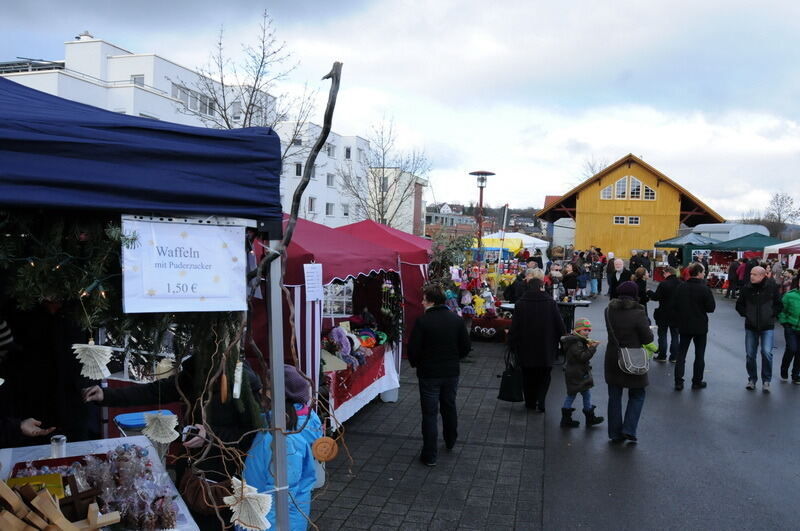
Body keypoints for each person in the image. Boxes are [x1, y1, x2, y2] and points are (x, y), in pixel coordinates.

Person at [83, 355, 264, 526]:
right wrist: (106, 395)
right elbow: (155, 391)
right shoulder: (197, 371)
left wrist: (210, 436)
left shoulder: (243, 382)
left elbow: (251, 435)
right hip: (191, 473)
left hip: (223, 479)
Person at [243, 365, 317, 530]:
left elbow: (281, 495)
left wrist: (260, 525)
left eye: (267, 388)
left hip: (274, 522)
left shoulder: (283, 439)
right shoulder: (286, 426)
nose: (262, 390)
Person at [408, 284, 471, 466]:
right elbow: (466, 347)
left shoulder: (423, 322)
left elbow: (414, 349)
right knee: (449, 406)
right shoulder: (456, 320)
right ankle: (450, 439)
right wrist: (454, 358)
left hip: (429, 373)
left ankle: (430, 455)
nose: (421, 302)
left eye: (424, 299)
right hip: (451, 371)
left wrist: (417, 363)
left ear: (430, 301)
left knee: (429, 414)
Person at [604, 281, 654, 443]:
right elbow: (648, 338)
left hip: (613, 356)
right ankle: (629, 428)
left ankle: (614, 433)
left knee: (614, 396)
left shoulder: (609, 311)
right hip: (634, 358)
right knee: (638, 394)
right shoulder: (638, 314)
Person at [508, 276, 566, 412]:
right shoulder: (550, 302)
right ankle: (541, 400)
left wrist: (511, 342)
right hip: (546, 347)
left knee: (528, 376)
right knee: (544, 375)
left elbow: (515, 326)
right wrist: (561, 340)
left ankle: (530, 402)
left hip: (526, 347)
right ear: (541, 287)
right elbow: (560, 324)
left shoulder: (521, 303)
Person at [736, 266, 783, 392]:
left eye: (755, 274)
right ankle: (752, 379)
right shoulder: (746, 288)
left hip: (767, 326)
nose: (751, 276)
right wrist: (747, 314)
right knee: (750, 355)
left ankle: (766, 380)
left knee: (766, 353)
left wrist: (771, 314)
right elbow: (739, 305)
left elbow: (779, 304)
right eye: (751, 274)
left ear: (762, 276)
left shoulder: (771, 287)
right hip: (751, 326)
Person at [673, 263, 716, 390]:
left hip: (684, 324)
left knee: (681, 354)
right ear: (698, 273)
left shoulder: (681, 287)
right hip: (700, 325)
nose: (704, 274)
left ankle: (678, 382)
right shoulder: (705, 289)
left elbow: (675, 305)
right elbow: (711, 308)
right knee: (699, 355)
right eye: (703, 272)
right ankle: (697, 381)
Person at [559, 318, 603, 428]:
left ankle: (571, 418)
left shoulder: (577, 341)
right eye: (585, 330)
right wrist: (592, 348)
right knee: (575, 394)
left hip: (576, 372)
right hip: (577, 373)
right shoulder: (576, 343)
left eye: (589, 330)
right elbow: (582, 357)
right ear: (578, 331)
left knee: (580, 394)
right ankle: (587, 418)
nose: (587, 332)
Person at [647, 266, 681, 363]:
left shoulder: (664, 284)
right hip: (677, 313)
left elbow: (656, 297)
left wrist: (649, 291)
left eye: (664, 273)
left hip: (663, 312)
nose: (663, 274)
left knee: (662, 335)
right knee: (675, 335)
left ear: (668, 273)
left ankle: (662, 355)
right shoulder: (681, 284)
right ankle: (674, 356)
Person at [778, 275, 800, 384]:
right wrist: (785, 323)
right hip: (790, 326)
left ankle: (796, 375)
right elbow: (782, 310)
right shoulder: (790, 296)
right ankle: (784, 369)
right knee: (792, 348)